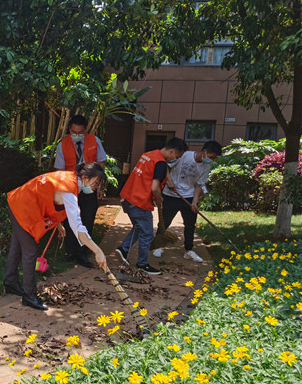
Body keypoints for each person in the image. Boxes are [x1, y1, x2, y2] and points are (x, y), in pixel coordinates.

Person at [4, 163, 108, 310]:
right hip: (23, 207)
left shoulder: (69, 179)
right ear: (85, 178)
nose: (96, 187)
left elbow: (51, 196)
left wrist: (58, 223)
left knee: (17, 245)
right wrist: (97, 251)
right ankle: (29, 296)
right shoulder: (70, 190)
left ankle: (10, 281)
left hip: (20, 201)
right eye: (96, 183)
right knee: (30, 250)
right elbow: (78, 227)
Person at [115, 137, 187, 275]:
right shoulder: (160, 163)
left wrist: (169, 179)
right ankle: (142, 264)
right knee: (147, 234)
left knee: (138, 227)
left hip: (128, 198)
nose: (175, 159)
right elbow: (155, 187)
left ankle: (123, 249)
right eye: (176, 156)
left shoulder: (149, 155)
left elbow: (160, 168)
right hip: (140, 202)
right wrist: (159, 199)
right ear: (172, 151)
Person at [152, 140, 222, 263]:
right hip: (171, 194)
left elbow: (199, 185)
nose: (211, 160)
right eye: (211, 157)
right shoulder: (184, 155)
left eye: (213, 158)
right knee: (165, 221)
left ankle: (188, 250)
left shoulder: (207, 166)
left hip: (188, 197)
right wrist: (169, 180)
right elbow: (166, 164)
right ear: (204, 152)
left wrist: (194, 202)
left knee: (190, 225)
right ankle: (158, 246)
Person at [54, 115, 107, 268]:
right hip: (71, 188)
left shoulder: (94, 141)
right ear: (69, 129)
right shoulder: (62, 145)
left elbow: (101, 162)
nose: (77, 135)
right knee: (70, 219)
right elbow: (59, 170)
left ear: (85, 130)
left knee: (87, 219)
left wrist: (99, 186)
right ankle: (71, 252)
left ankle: (83, 253)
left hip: (89, 186)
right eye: (73, 132)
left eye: (80, 132)